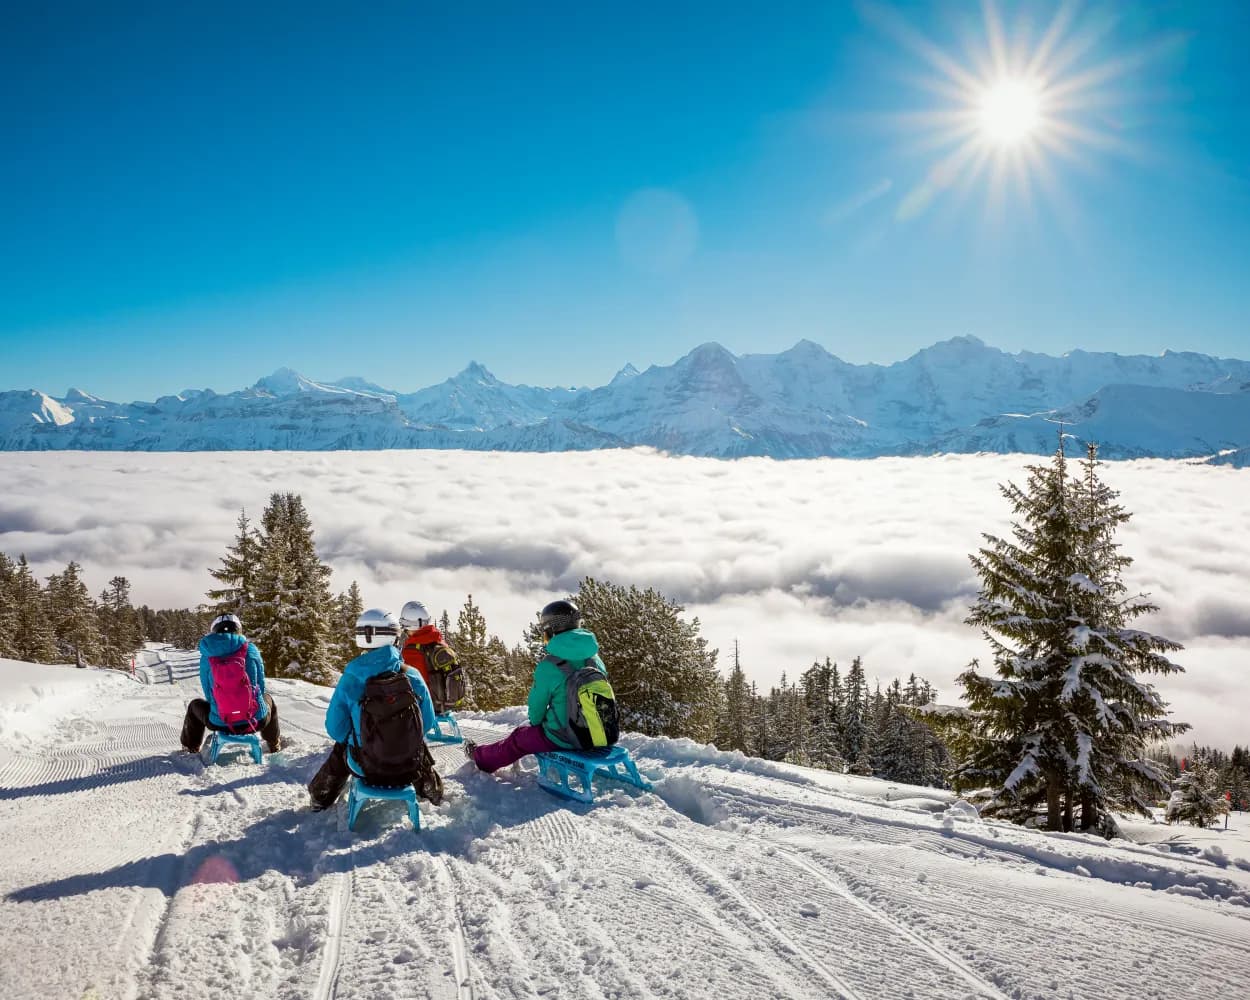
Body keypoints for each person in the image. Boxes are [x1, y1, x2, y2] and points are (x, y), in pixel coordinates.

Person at [308, 607, 444, 811]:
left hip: (365, 766)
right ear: (393, 637)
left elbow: (336, 729)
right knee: (417, 744)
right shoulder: (412, 675)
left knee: (342, 746)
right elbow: (428, 721)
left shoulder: (352, 678)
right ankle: (429, 787)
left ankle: (321, 796)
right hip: (409, 765)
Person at [464, 599, 613, 773]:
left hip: (564, 737)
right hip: (602, 733)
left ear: (552, 631)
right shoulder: (595, 659)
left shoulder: (550, 665)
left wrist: (538, 725)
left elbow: (536, 710)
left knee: (518, 738)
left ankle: (481, 757)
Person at [180, 613, 281, 754]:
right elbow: (260, 686)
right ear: (238, 629)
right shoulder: (251, 650)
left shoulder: (207, 656)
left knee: (194, 705)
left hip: (220, 722)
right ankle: (273, 742)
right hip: (255, 721)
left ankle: (191, 746)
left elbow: (208, 693)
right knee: (268, 699)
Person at [397, 600, 466, 716]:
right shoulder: (437, 640)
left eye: (405, 627)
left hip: (427, 704)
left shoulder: (412, 650)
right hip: (442, 702)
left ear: (411, 625)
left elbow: (411, 681)